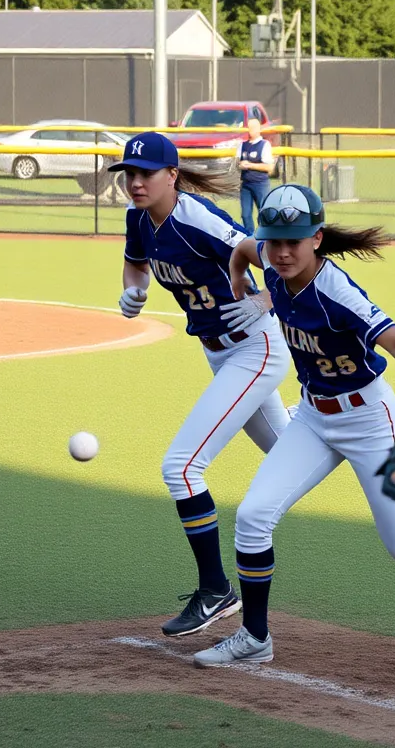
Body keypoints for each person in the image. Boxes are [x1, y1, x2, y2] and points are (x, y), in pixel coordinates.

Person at [193, 184, 395, 665]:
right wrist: (240, 280)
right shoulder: (266, 254)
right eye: (274, 241)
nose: (280, 252)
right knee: (253, 516)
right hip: (311, 417)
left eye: (293, 242)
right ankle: (255, 638)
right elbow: (242, 249)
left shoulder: (337, 292)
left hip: (370, 421)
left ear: (317, 239)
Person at [111, 131, 295, 638]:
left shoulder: (196, 218)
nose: (135, 182)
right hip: (222, 356)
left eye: (145, 173)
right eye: (128, 173)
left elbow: (282, 260)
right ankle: (364, 444)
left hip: (254, 348)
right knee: (289, 452)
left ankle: (216, 589)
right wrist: (135, 289)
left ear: (172, 174)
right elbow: (136, 262)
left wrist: (266, 301)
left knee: (182, 467)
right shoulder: (138, 220)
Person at [236, 117, 275, 234]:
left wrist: (250, 165)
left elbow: (269, 167)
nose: (249, 131)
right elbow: (237, 163)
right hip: (246, 184)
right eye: (248, 128)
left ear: (258, 129)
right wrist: (240, 165)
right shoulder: (242, 145)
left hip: (260, 184)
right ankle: (250, 236)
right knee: (245, 214)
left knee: (263, 212)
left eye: (252, 128)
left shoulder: (264, 145)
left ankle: (267, 235)